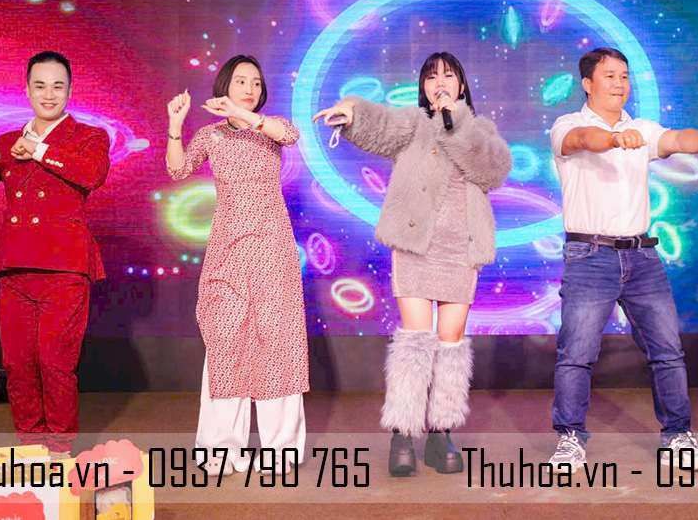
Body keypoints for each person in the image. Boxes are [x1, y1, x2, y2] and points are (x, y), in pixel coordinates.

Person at [313, 52, 512, 476]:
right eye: (431, 76)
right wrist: (351, 108)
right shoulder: (412, 124)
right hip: (416, 247)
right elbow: (379, 124)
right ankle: (403, 434)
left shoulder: (481, 130)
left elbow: (492, 171)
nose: (439, 82)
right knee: (415, 340)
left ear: (461, 85)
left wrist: (455, 122)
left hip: (461, 251)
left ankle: (441, 433)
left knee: (451, 343)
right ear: (422, 86)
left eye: (448, 75)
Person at [548, 47, 698, 473]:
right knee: (576, 353)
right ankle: (570, 438)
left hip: (643, 257)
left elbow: (678, 140)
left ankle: (677, 436)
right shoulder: (567, 124)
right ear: (587, 84)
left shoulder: (642, 128)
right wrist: (614, 139)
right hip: (589, 255)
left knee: (668, 351)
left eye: (625, 76)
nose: (620, 84)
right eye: (610, 76)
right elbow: (583, 140)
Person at [0, 51, 110, 455]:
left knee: (56, 363)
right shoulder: (6, 142)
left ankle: (58, 449)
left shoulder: (90, 136)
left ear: (69, 91)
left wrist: (38, 149)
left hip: (65, 267)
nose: (49, 94)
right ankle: (30, 447)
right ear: (27, 90)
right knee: (18, 364)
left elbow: (92, 174)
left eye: (58, 86)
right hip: (15, 267)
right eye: (40, 85)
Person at [166, 54, 308, 477]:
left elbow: (291, 134)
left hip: (272, 248)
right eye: (241, 81)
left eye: (256, 83)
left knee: (276, 341)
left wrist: (247, 117)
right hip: (227, 251)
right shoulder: (210, 135)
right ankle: (220, 451)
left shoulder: (270, 128)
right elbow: (177, 169)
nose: (250, 88)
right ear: (225, 85)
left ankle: (281, 451)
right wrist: (175, 126)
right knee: (225, 341)